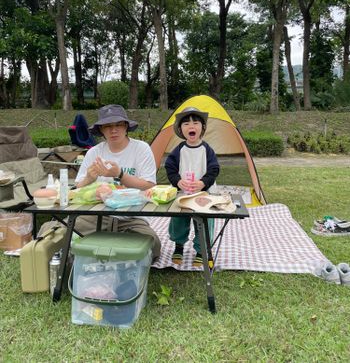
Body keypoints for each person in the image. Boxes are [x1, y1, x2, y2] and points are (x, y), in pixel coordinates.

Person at [40, 104, 161, 261]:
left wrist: (120, 174)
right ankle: (103, 245)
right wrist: (89, 178)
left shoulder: (141, 149)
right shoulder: (94, 152)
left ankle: (102, 245)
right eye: (108, 126)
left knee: (154, 245)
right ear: (101, 130)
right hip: (95, 215)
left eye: (118, 125)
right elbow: (77, 189)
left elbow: (150, 185)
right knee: (49, 231)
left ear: (126, 126)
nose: (113, 130)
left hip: (131, 217)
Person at [165, 107, 220, 267]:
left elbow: (214, 169)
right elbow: (170, 167)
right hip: (183, 193)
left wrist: (203, 182)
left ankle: (201, 250)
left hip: (204, 193)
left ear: (202, 128)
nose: (191, 126)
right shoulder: (179, 150)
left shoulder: (207, 150)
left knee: (203, 222)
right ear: (181, 129)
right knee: (178, 220)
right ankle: (179, 246)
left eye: (196, 123)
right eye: (186, 124)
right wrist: (177, 181)